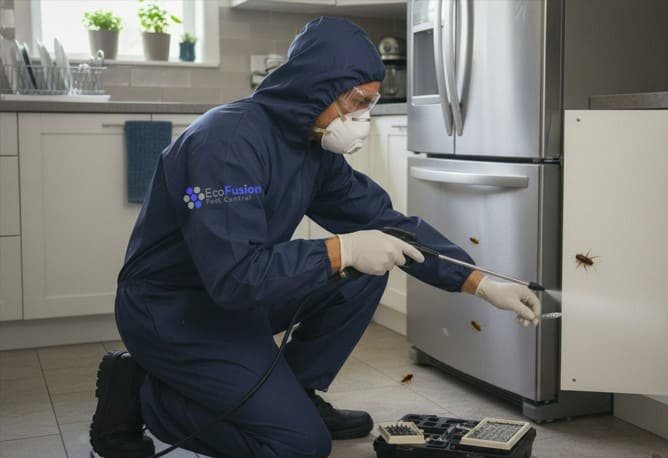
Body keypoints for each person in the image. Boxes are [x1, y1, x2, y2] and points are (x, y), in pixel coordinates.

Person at [89, 17, 541, 458]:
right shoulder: (225, 146)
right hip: (175, 311)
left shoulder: (312, 147)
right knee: (298, 446)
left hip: (240, 301)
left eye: (372, 103)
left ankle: (295, 392)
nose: (365, 116)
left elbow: (390, 224)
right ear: (316, 91)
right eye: (358, 102)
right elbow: (234, 278)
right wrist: (340, 248)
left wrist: (481, 282)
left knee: (369, 270)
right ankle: (141, 391)